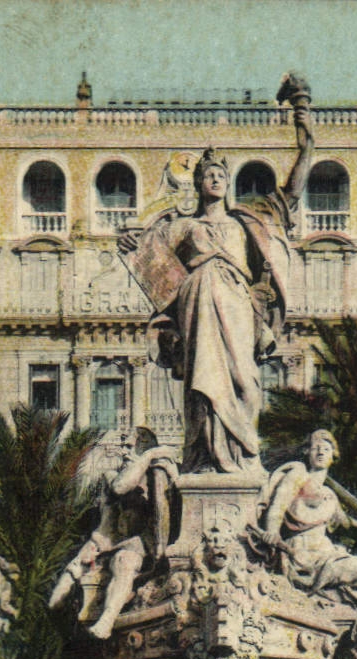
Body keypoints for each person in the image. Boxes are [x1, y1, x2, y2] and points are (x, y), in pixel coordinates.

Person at [118, 76, 314, 475]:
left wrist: (305, 132)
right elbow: (146, 255)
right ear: (198, 183)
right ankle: (205, 459)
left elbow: (293, 190)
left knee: (245, 382)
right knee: (202, 386)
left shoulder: (248, 220)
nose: (215, 178)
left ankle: (243, 458)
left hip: (238, 305)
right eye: (208, 174)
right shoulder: (183, 227)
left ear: (228, 183)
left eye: (221, 174)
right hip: (197, 307)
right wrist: (127, 241)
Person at [254, 430, 357, 639]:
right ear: (307, 452)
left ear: (333, 456)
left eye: (326, 449)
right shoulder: (298, 475)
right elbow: (277, 507)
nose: (320, 452)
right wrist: (272, 532)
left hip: (327, 554)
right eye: (315, 447)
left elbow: (348, 525)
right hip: (302, 556)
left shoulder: (329, 495)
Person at [49, 428, 178, 639]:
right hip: (106, 541)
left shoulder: (156, 477)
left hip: (137, 545)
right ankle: (62, 618)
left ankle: (106, 621)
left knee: (123, 562)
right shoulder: (112, 475)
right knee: (62, 589)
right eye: (124, 446)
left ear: (144, 447)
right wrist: (148, 456)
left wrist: (152, 460)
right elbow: (120, 487)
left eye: (130, 447)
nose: (124, 452)